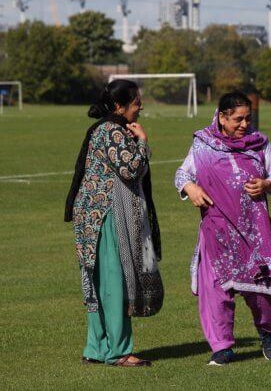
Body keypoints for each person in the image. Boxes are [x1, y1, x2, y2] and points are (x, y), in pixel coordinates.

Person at [174, 92, 271, 366]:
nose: (244, 124)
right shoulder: (203, 144)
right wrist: (190, 188)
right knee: (216, 292)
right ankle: (221, 346)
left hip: (254, 233)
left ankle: (268, 332)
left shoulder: (259, 144)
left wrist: (266, 185)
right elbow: (182, 174)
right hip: (217, 232)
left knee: (262, 292)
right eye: (238, 119)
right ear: (222, 117)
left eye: (248, 118)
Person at [65, 79, 164, 367]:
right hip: (107, 214)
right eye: (136, 103)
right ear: (120, 106)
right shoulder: (113, 131)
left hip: (91, 214)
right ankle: (118, 351)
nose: (141, 107)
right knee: (114, 282)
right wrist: (143, 140)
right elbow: (130, 168)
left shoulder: (102, 129)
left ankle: (96, 348)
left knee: (95, 282)